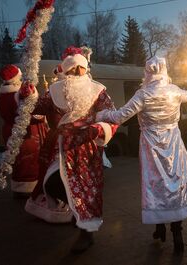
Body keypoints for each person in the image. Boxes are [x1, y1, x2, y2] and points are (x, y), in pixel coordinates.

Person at [96, 56, 187, 254]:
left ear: (148, 72)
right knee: (176, 184)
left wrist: (102, 115)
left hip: (151, 145)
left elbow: (120, 116)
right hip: (173, 144)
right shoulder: (174, 91)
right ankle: (177, 233)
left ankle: (159, 228)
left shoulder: (143, 95)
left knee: (155, 184)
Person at [23, 46, 117, 253]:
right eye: (72, 69)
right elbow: (37, 110)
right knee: (53, 183)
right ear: (65, 71)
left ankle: (86, 232)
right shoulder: (54, 91)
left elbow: (112, 116)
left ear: (86, 70)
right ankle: (77, 212)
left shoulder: (98, 90)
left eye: (80, 69)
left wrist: (99, 130)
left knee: (85, 189)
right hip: (60, 147)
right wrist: (27, 97)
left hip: (86, 148)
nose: (76, 73)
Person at [0, 64, 49, 198]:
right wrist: (42, 117)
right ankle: (28, 188)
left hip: (11, 131)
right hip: (24, 133)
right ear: (15, 78)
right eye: (19, 77)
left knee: (18, 161)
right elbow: (25, 115)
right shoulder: (16, 95)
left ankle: (20, 186)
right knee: (28, 160)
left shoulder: (3, 94)